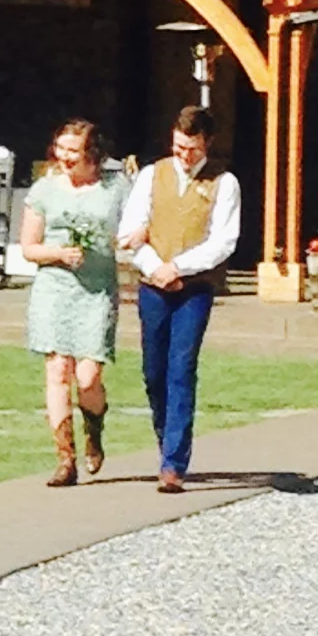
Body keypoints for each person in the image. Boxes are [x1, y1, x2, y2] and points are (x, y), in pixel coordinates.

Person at [117, 105, 241, 493]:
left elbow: (223, 242)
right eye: (178, 147)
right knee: (154, 372)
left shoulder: (224, 183)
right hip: (153, 286)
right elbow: (131, 229)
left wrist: (179, 268)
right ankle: (165, 439)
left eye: (192, 148)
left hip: (194, 289)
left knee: (181, 369)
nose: (184, 155)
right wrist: (156, 267)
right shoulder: (152, 175)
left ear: (207, 143)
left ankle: (174, 463)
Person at [19, 118, 130, 487]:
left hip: (96, 291)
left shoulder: (115, 189)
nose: (65, 157)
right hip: (54, 289)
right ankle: (65, 459)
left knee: (88, 376)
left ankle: (93, 430)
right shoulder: (44, 190)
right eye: (61, 149)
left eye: (74, 151)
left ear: (92, 153)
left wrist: (130, 242)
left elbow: (135, 226)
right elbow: (29, 247)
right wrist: (58, 254)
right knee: (57, 370)